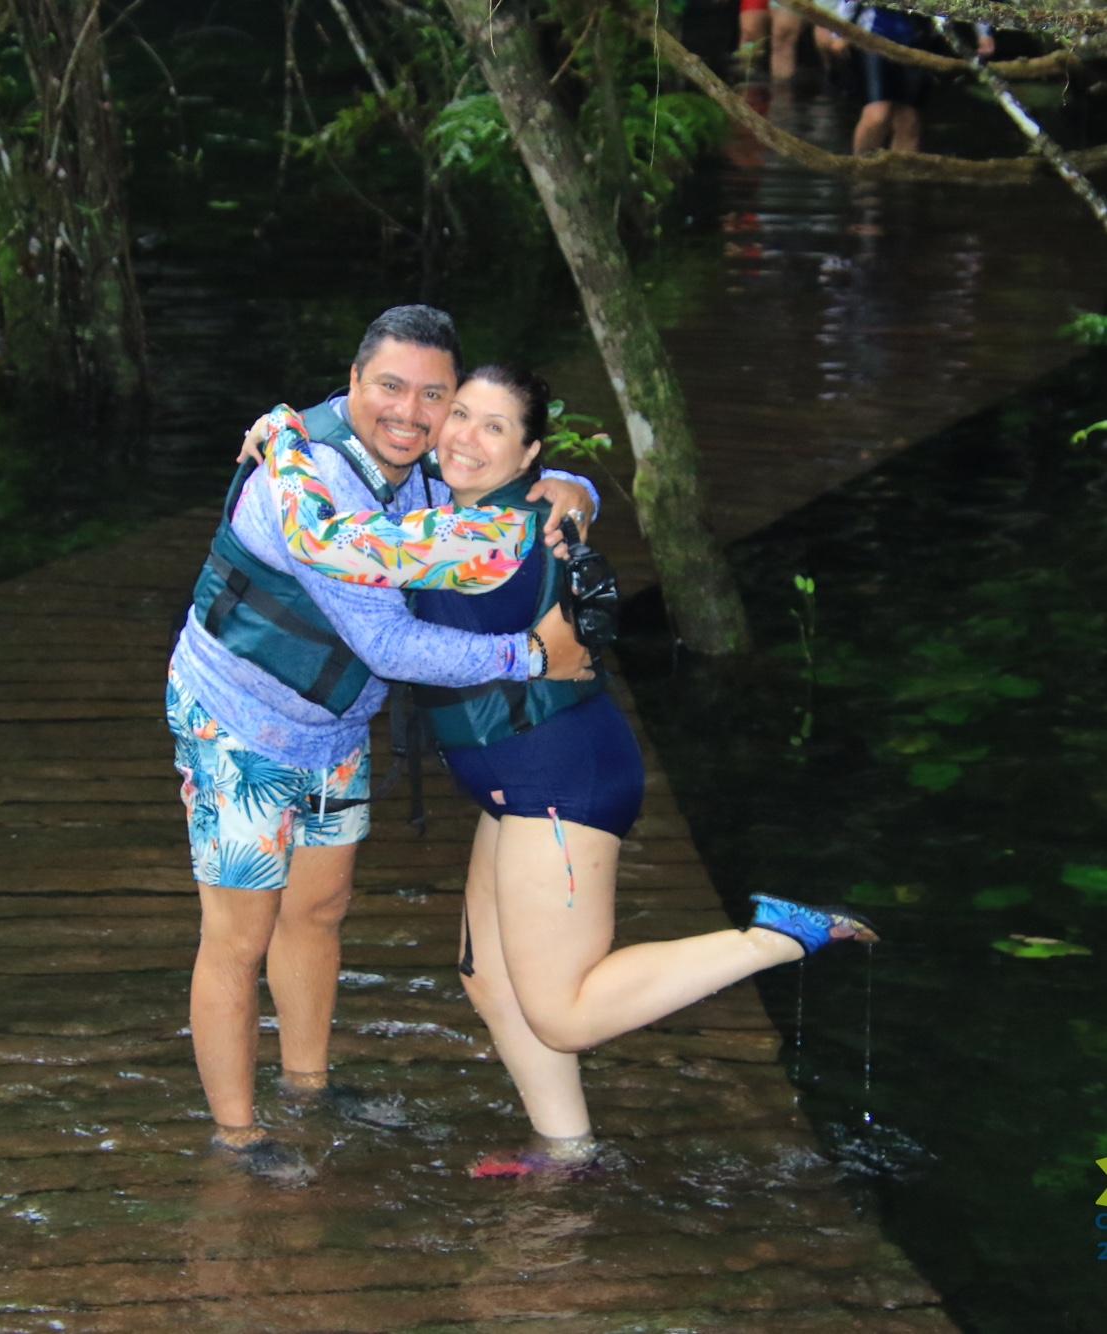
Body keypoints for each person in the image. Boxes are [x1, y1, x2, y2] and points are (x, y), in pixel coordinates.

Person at [256, 366, 880, 1173]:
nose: (464, 438)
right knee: (489, 982)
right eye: (462, 416)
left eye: (494, 428)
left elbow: (334, 545)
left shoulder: (491, 536)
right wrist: (575, 486)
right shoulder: (468, 510)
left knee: (565, 1014)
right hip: (518, 784)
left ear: (527, 454)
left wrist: (282, 439)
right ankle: (567, 1147)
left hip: (560, 779)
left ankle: (775, 938)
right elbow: (501, 504)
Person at [166, 305, 599, 1180]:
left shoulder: (429, 473)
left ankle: (309, 1084)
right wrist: (532, 656)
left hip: (333, 727)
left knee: (319, 911)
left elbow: (510, 495)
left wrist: (573, 490)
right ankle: (239, 1136)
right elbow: (390, 646)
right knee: (238, 938)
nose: (410, 412)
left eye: (434, 396)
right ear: (352, 382)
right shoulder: (304, 484)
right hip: (236, 721)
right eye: (390, 387)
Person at [833, 5, 995, 155]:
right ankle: (862, 173)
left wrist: (984, 34)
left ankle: (900, 180)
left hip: (920, 39)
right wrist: (841, 30)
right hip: (876, 33)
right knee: (878, 113)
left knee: (908, 119)